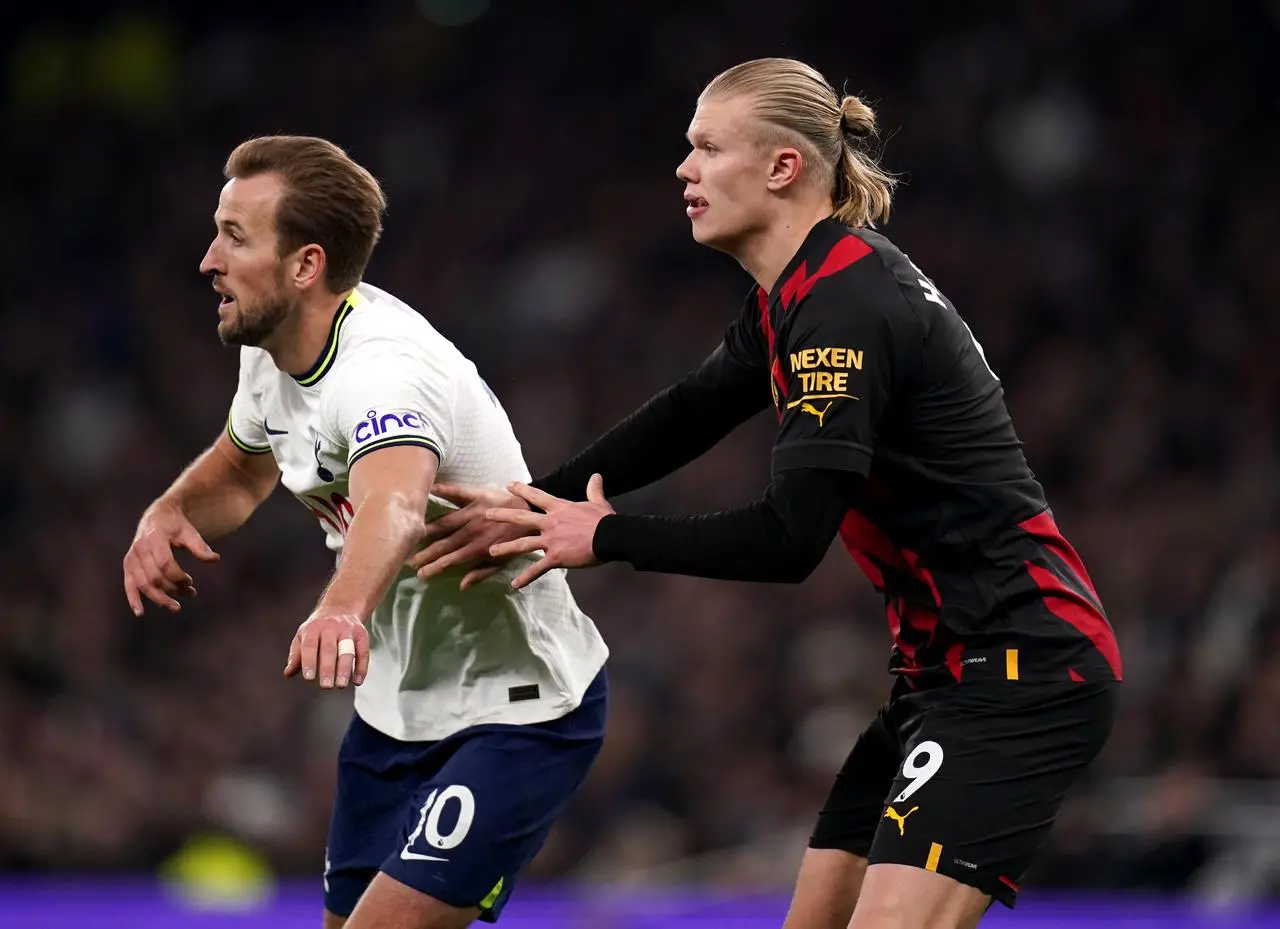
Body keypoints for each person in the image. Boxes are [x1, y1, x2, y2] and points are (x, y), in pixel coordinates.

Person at [411, 58, 1121, 929]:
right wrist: (527, 504)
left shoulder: (848, 306)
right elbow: (690, 410)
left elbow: (791, 540)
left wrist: (605, 536)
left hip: (1023, 668)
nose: (685, 169)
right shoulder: (801, 293)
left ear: (783, 167)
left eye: (708, 147)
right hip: (938, 676)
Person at [121, 135, 609, 929]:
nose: (209, 258)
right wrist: (166, 511)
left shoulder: (384, 369)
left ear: (305, 264)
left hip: (517, 710)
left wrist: (342, 606)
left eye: (235, 236)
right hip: (392, 715)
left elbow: (396, 502)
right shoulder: (273, 348)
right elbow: (243, 468)